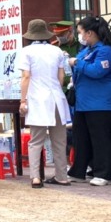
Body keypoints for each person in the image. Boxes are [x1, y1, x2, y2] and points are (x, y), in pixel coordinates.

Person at [16, 19, 71, 188]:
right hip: (57, 98)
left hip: (38, 99)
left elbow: (26, 77)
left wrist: (23, 100)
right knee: (59, 140)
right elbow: (61, 77)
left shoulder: (26, 51)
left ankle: (35, 177)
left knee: (36, 141)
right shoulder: (57, 51)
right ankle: (62, 176)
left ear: (30, 35)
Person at [67, 16, 111, 186]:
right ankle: (78, 171)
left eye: (80, 32)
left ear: (89, 33)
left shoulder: (106, 51)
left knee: (100, 138)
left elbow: (97, 71)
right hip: (83, 102)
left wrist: (77, 63)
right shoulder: (86, 50)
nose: (80, 36)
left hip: (101, 102)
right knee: (80, 138)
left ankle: (103, 173)